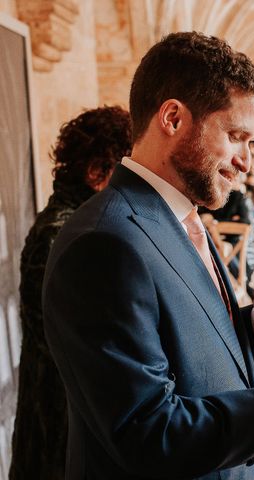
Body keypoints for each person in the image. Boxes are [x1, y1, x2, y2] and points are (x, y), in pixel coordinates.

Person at [42, 33, 254, 480]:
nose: (246, 162)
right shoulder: (103, 245)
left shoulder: (180, 217)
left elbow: (182, 349)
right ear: (173, 118)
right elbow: (151, 434)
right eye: (236, 136)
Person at [9, 106, 132, 480]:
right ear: (97, 172)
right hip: (57, 430)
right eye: (125, 172)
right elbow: (82, 349)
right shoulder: (65, 234)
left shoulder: (80, 225)